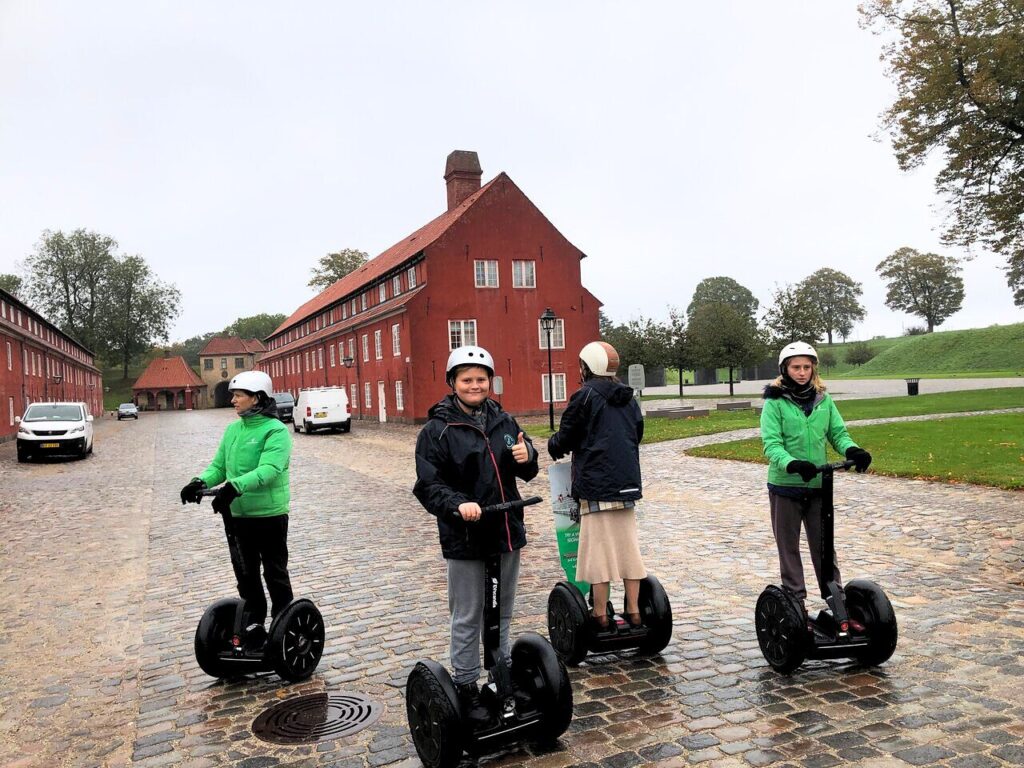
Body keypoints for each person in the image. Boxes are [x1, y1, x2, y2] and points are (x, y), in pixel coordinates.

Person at [413, 345, 539, 724]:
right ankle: (466, 686)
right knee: (468, 614)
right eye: (466, 379)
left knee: (501, 611)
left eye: (480, 379)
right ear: (453, 383)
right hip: (466, 537)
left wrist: (528, 455)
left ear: (490, 382)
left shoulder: (504, 420)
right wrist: (458, 505)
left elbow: (526, 468)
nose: (474, 385)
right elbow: (428, 485)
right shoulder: (437, 431)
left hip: (505, 529)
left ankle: (500, 679)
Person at [760, 341, 872, 621]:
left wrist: (852, 450)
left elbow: (838, 433)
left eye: (806, 367)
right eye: (795, 367)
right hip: (786, 487)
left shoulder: (824, 399)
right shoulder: (775, 402)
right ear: (784, 369)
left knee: (823, 548)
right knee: (789, 547)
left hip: (819, 486)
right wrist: (793, 464)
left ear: (813, 369)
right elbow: (771, 445)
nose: (801, 372)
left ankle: (837, 603)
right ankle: (795, 604)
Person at [180, 370, 294, 637]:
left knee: (274, 573)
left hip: (269, 515)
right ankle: (254, 624)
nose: (233, 400)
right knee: (246, 574)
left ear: (256, 398)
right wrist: (199, 482)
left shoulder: (275, 431)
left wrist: (235, 487)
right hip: (237, 516)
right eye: (233, 395)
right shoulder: (233, 430)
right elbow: (219, 466)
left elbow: (270, 470)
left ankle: (284, 626)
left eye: (238, 396)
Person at [547, 341, 646, 631]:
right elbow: (636, 434)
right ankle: (635, 611)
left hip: (596, 485)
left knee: (597, 552)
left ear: (586, 367)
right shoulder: (628, 398)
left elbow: (566, 436)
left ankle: (600, 615)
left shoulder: (585, 396)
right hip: (626, 484)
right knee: (629, 549)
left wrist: (554, 445)